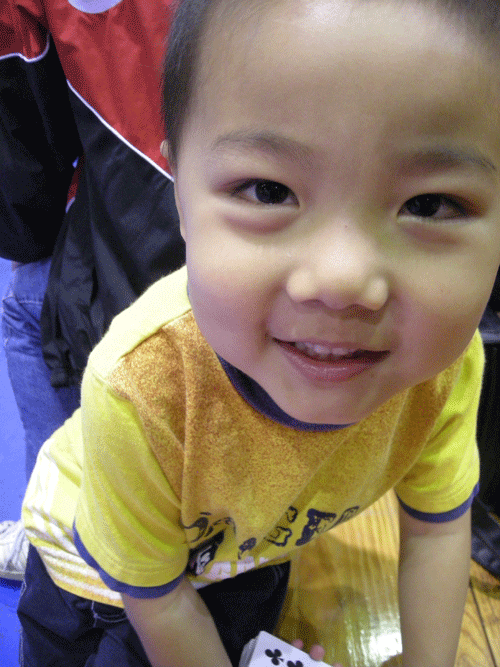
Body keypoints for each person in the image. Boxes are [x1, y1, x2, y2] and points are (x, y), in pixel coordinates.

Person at [16, 0, 500, 665]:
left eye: (429, 204)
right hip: (99, 578)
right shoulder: (139, 385)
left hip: (247, 549)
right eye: (269, 191)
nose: (342, 279)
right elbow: (158, 599)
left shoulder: (446, 365)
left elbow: (439, 530)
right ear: (179, 193)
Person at [0, 0, 185, 578]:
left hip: (149, 260)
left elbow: (28, 181)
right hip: (304, 243)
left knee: (27, 297)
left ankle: (52, 538)